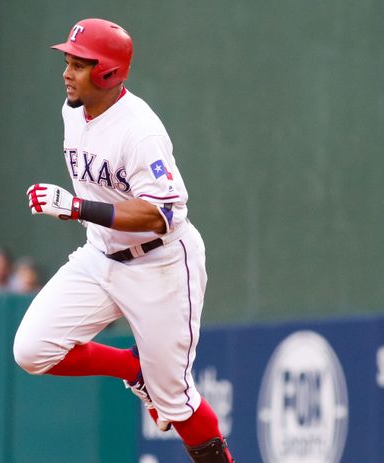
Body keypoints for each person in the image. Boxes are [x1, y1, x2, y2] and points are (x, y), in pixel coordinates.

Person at [12, 18, 234, 462]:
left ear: (108, 73)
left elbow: (162, 214)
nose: (66, 72)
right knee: (32, 350)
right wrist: (84, 214)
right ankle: (132, 368)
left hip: (160, 266)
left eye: (78, 65)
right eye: (68, 62)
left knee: (175, 402)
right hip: (100, 255)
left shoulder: (140, 130)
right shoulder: (71, 111)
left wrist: (76, 207)